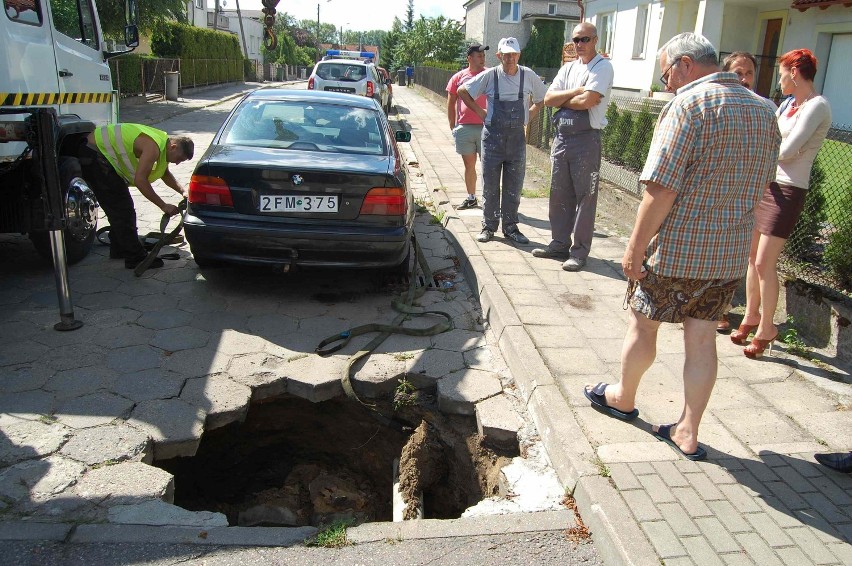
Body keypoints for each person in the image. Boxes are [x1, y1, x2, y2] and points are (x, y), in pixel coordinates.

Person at [583, 33, 779, 460]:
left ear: (686, 64)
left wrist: (635, 248)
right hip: (727, 254)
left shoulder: (688, 105)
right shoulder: (766, 109)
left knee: (643, 325)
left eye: (666, 72)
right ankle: (688, 432)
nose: (666, 82)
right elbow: (764, 182)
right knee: (703, 339)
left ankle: (622, 397)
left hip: (677, 250)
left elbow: (660, 189)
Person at [735, 49, 832, 358]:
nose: (778, 81)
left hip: (788, 191)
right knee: (751, 257)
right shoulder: (789, 104)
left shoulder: (818, 106)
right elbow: (769, 135)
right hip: (767, 185)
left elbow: (787, 150)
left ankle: (768, 327)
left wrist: (760, 151)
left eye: (781, 74)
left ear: (794, 73)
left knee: (764, 262)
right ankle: (751, 315)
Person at [533, 22, 614, 271]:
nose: (580, 44)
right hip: (562, 140)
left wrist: (565, 98)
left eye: (585, 39)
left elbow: (589, 100)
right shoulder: (568, 68)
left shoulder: (603, 67)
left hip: (586, 140)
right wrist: (574, 93)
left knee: (585, 197)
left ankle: (578, 252)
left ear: (595, 40)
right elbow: (547, 98)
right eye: (576, 40)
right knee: (559, 194)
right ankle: (558, 243)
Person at [457, 37, 547, 245]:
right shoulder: (490, 76)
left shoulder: (528, 76)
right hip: (492, 140)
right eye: (506, 55)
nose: (510, 58)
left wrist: (529, 115)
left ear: (518, 55)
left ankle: (511, 227)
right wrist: (481, 112)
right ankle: (489, 226)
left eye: (513, 54)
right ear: (499, 56)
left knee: (513, 185)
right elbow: (463, 90)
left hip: (516, 140)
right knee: (490, 184)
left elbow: (543, 98)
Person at [78, 124, 193, 269]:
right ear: (174, 147)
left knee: (120, 207)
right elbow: (140, 180)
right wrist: (163, 205)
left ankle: (120, 247)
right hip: (94, 153)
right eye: (180, 159)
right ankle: (135, 257)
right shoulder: (153, 146)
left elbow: (165, 173)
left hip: (98, 152)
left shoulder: (163, 145)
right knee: (122, 209)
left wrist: (183, 191)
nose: (177, 163)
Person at [716, 51, 758, 332]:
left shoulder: (764, 108)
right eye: (738, 73)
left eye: (749, 73)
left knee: (735, 254)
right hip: (717, 189)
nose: (744, 79)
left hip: (748, 193)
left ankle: (722, 309)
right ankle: (711, 309)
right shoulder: (717, 103)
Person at [447, 44, 489, 210]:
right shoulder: (458, 77)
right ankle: (471, 197)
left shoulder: (490, 75)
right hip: (465, 128)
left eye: (483, 55)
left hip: (487, 127)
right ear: (469, 58)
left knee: (488, 166)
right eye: (479, 55)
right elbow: (451, 103)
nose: (482, 58)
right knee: (469, 165)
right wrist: (453, 126)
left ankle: (489, 200)